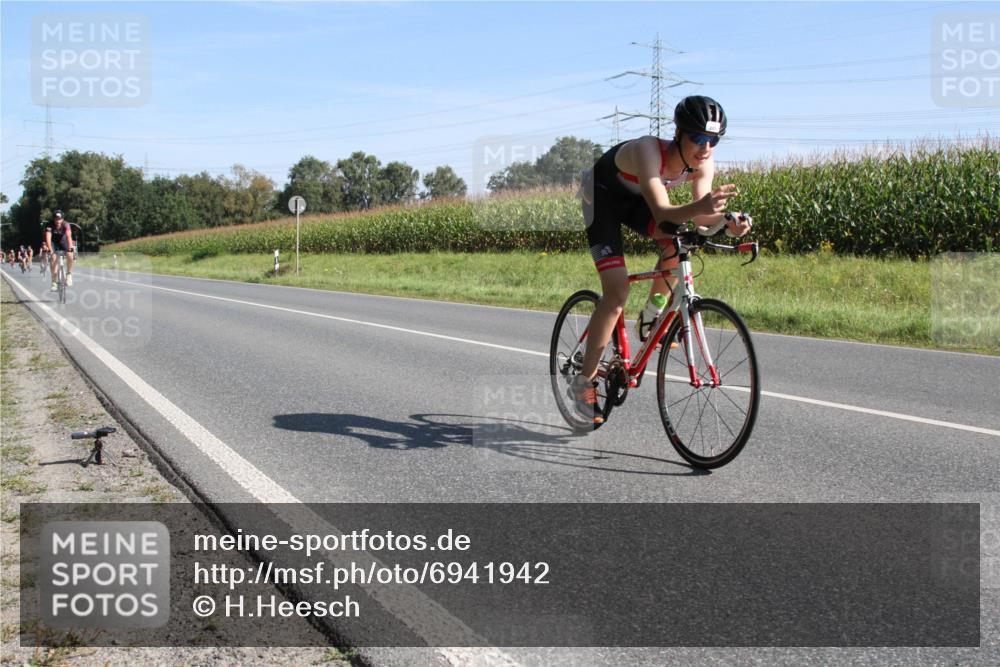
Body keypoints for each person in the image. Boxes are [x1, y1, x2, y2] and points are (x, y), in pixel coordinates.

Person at [574, 95, 753, 425]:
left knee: (679, 241)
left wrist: (728, 225)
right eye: (699, 138)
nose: (706, 147)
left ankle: (652, 315)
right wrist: (704, 211)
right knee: (616, 295)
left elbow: (700, 220)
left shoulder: (703, 164)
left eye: (713, 140)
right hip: (601, 199)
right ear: (679, 134)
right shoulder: (648, 150)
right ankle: (583, 385)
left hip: (636, 202)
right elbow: (661, 211)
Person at [45, 210, 74, 290]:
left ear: (62, 219)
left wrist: (70, 247)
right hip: (53, 242)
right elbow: (48, 238)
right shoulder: (49, 225)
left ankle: (69, 274)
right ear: (53, 219)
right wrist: (50, 250)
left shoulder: (66, 224)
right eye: (56, 219)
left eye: (59, 219)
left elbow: (69, 236)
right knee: (54, 258)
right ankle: (54, 282)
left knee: (70, 254)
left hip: (63, 241)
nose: (58, 221)